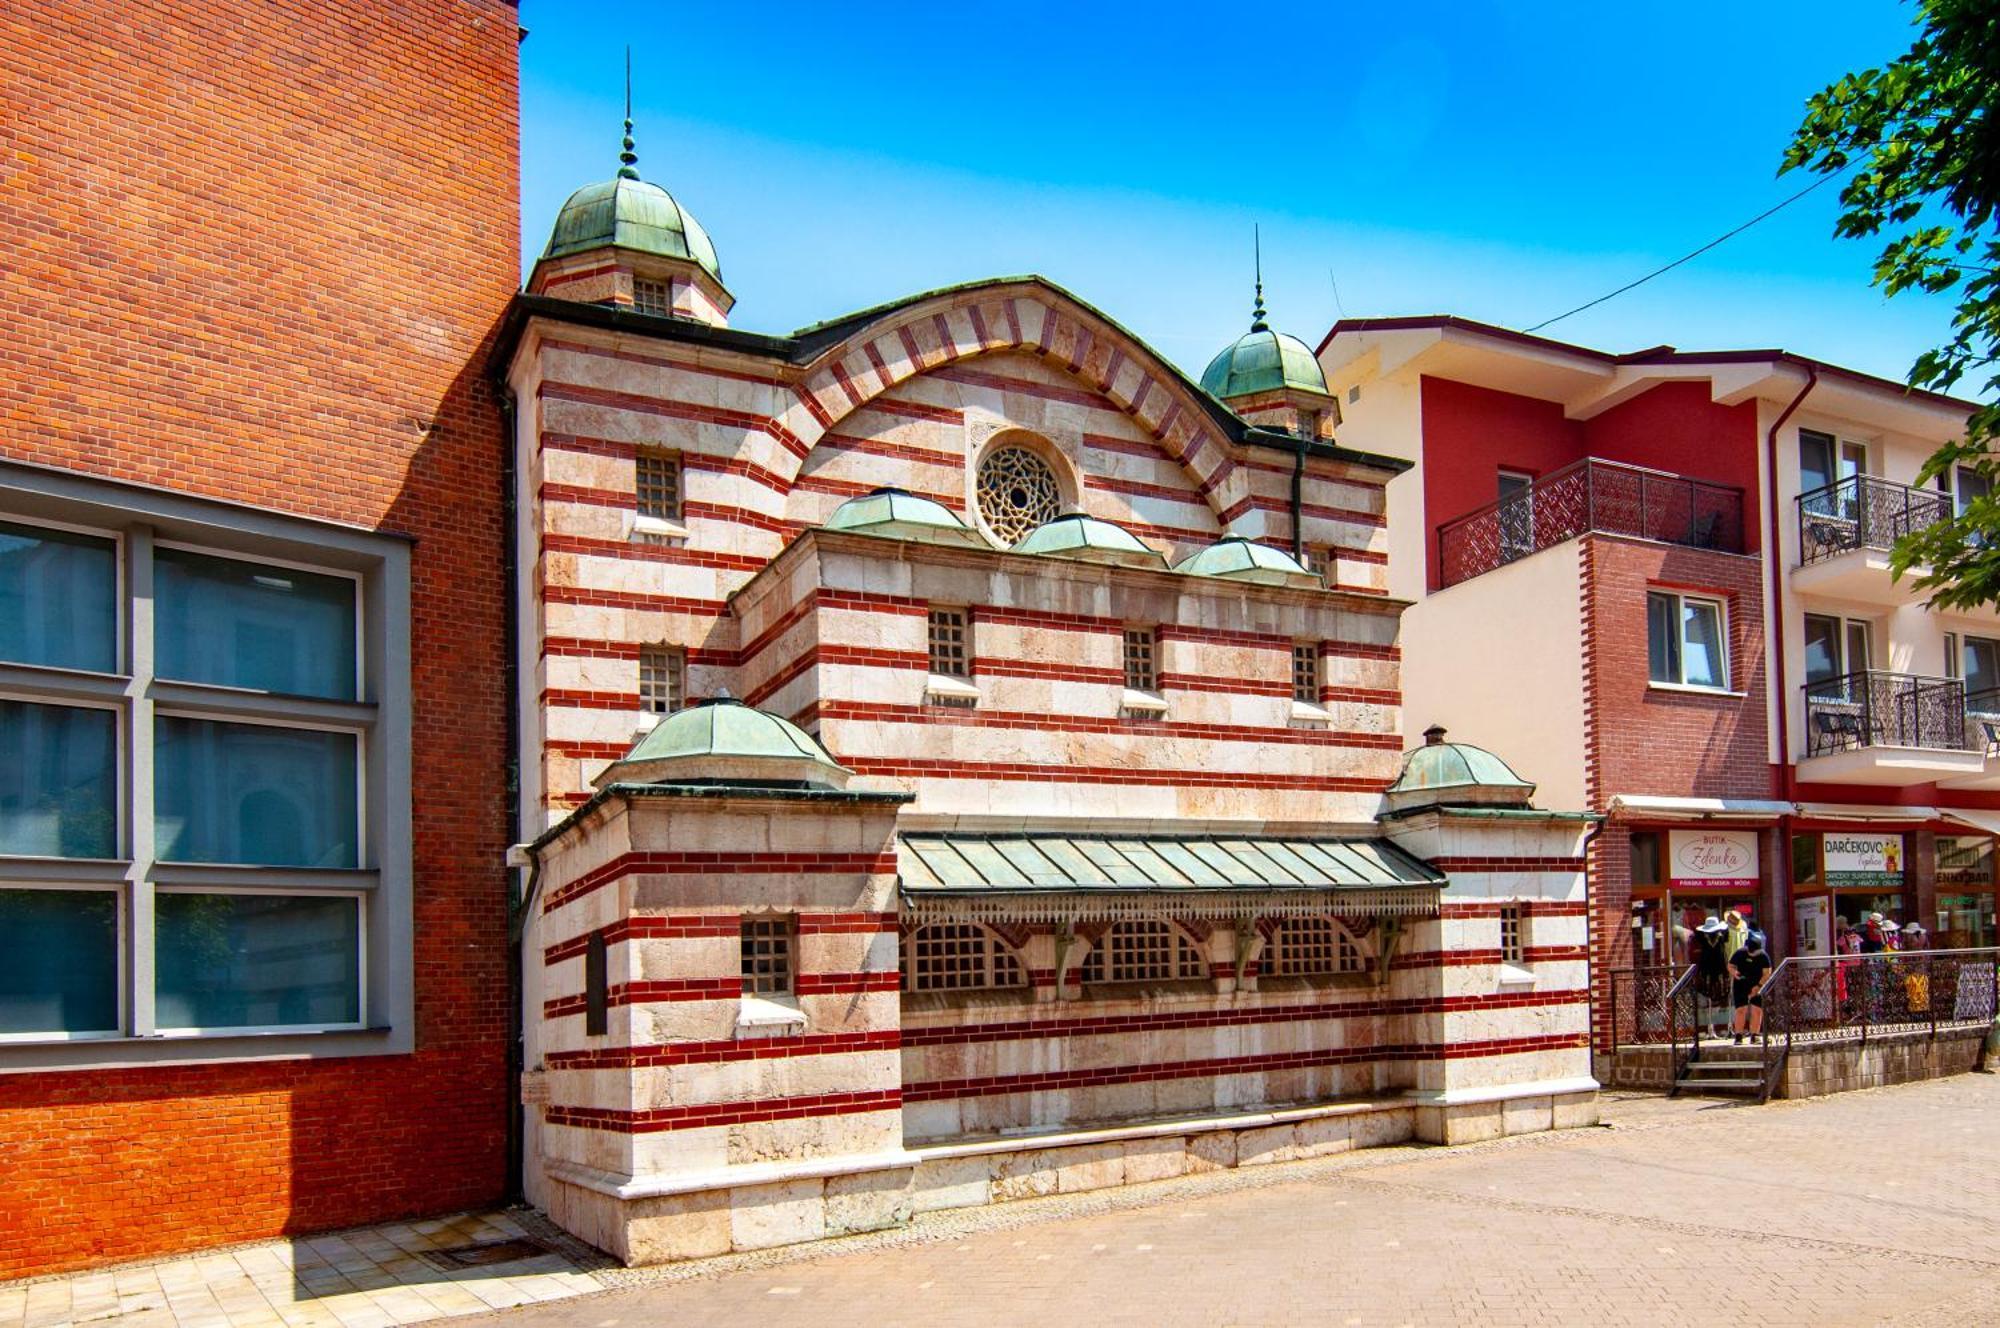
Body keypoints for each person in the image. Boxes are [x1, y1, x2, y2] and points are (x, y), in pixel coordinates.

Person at [1730, 932, 1774, 1043]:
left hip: (1757, 983)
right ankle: (1738, 1036)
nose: (1753, 954)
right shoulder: (1740, 953)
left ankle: (1754, 1035)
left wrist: (1758, 986)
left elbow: (1767, 973)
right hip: (1741, 983)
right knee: (1741, 1009)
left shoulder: (1763, 956)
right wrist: (1734, 973)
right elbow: (1730, 965)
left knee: (1757, 1010)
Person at [1694, 915, 1732, 1027]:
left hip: (1716, 966)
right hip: (1710, 967)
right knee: (1709, 992)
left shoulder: (1719, 936)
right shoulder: (1705, 937)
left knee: (1718, 992)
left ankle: (1718, 1024)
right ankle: (1709, 1025)